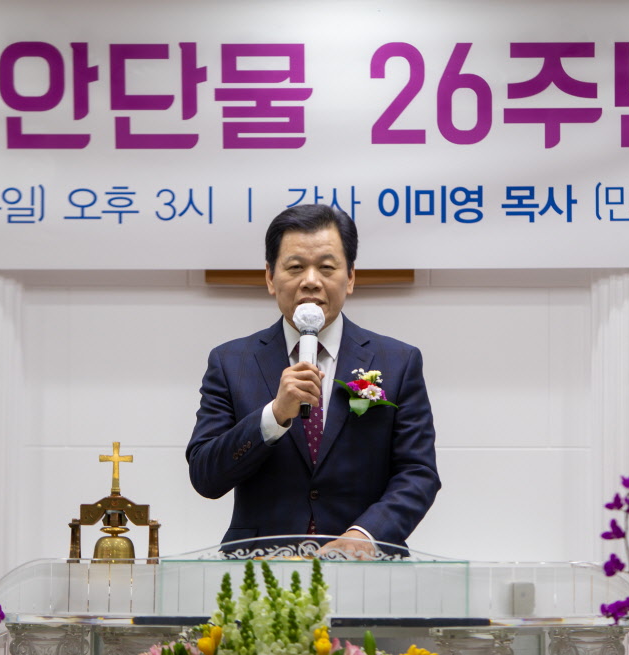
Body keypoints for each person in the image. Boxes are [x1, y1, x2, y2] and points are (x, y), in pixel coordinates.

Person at [186, 204, 440, 557]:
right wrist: (274, 415)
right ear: (270, 277)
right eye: (295, 267)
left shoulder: (397, 361)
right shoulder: (231, 362)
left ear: (350, 277)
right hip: (260, 566)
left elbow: (418, 473)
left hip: (364, 567)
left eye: (326, 267)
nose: (310, 280)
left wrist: (365, 535)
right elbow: (205, 476)